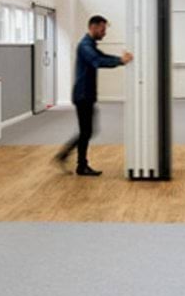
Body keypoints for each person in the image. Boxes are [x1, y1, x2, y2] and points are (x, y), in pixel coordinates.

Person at [56, 15, 132, 176]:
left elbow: (102, 56)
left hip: (86, 94)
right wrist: (120, 61)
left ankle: (75, 162)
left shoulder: (89, 44)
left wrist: (120, 60)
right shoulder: (85, 46)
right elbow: (97, 61)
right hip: (83, 95)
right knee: (87, 131)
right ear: (93, 27)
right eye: (102, 29)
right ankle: (73, 161)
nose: (104, 33)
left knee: (87, 131)